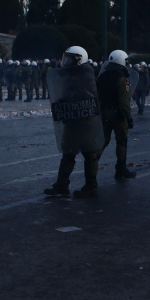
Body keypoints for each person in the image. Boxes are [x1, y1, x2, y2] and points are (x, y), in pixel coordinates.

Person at [44, 46, 103, 198]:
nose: (67, 61)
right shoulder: (68, 75)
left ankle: (91, 185)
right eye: (66, 57)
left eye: (71, 58)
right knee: (68, 151)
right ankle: (62, 184)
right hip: (72, 118)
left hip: (86, 119)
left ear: (79, 59)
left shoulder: (87, 75)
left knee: (89, 151)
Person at [96, 50, 137, 180]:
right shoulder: (122, 80)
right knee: (121, 141)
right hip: (118, 114)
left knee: (102, 141)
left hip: (104, 113)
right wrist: (129, 118)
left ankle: (91, 164)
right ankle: (121, 169)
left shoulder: (102, 77)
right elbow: (124, 103)